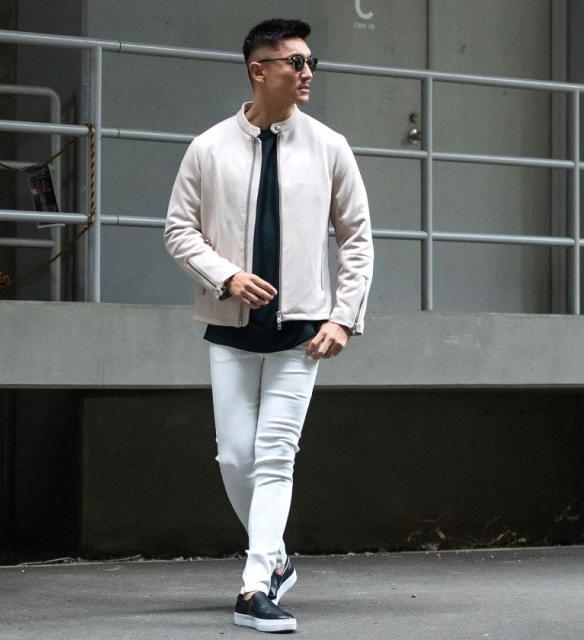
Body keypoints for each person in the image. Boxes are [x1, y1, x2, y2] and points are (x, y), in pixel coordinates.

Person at [164, 17, 374, 633]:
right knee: (235, 457)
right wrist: (226, 276)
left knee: (276, 457)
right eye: (295, 62)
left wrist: (343, 318)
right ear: (260, 71)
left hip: (301, 333)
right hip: (230, 327)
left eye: (311, 62)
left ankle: (255, 585)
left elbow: (357, 239)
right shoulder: (208, 148)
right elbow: (178, 229)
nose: (308, 73)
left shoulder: (330, 146)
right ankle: (276, 555)